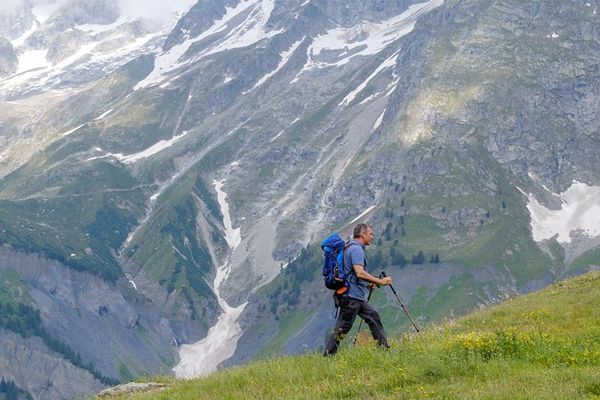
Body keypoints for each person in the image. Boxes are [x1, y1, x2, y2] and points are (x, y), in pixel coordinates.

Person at [323, 223, 393, 356]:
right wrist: (381, 282)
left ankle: (385, 350)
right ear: (363, 234)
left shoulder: (350, 247)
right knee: (342, 328)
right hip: (351, 297)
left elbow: (352, 273)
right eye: (370, 234)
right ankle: (327, 357)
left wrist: (368, 284)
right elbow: (360, 273)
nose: (372, 237)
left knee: (373, 317)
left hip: (355, 296)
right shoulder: (356, 249)